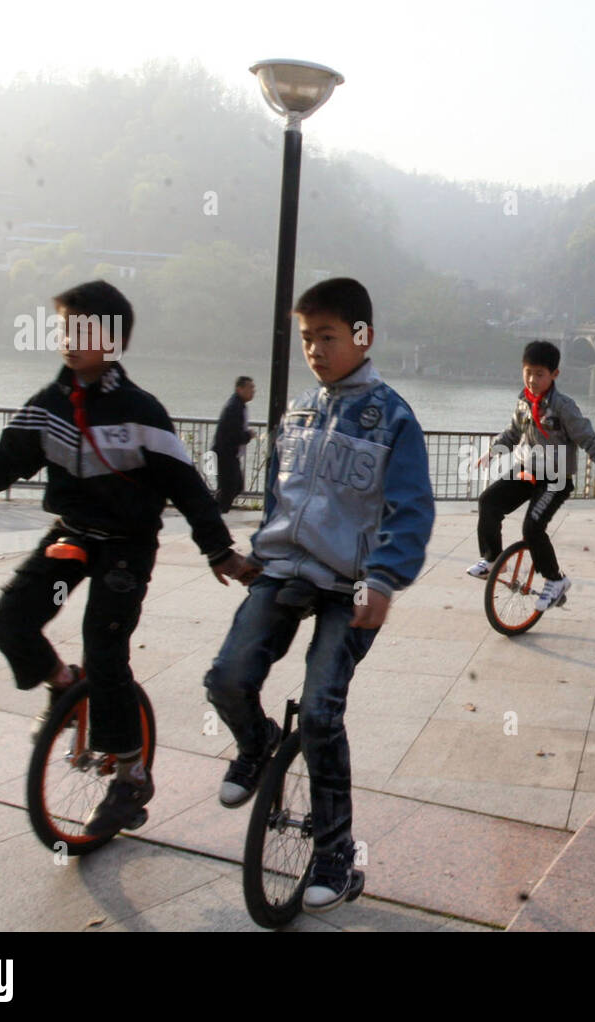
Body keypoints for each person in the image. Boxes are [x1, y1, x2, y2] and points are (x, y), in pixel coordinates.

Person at [0, 280, 249, 837]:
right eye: (63, 329)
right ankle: (61, 686)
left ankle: (129, 772)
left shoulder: (141, 411)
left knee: (106, 647)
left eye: (82, 330)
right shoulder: (49, 404)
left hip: (126, 544)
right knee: (10, 621)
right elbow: (10, 459)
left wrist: (218, 550)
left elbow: (187, 485)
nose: (68, 340)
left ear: (113, 341)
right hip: (71, 535)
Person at [204, 277, 435, 914]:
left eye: (326, 337)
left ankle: (336, 853)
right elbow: (283, 495)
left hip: (353, 587)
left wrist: (385, 580)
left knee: (323, 713)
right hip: (283, 573)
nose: (314, 350)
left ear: (363, 336)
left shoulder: (394, 418)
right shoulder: (300, 410)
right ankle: (256, 745)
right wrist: (261, 549)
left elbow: (411, 511)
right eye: (306, 338)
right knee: (226, 678)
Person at [467, 340, 595, 612]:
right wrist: (493, 452)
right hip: (527, 470)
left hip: (556, 478)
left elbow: (586, 436)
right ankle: (492, 560)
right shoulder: (524, 401)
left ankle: (555, 580)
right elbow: (513, 432)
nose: (532, 379)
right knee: (488, 502)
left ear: (554, 375)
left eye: (539, 374)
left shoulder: (564, 406)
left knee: (532, 528)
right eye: (527, 372)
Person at [210, 376, 256, 512]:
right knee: (228, 489)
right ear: (239, 389)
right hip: (224, 455)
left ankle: (214, 511)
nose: (253, 391)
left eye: (253, 388)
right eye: (250, 388)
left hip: (229, 455)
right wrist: (249, 435)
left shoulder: (238, 405)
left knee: (235, 487)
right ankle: (213, 514)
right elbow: (234, 435)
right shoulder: (234, 407)